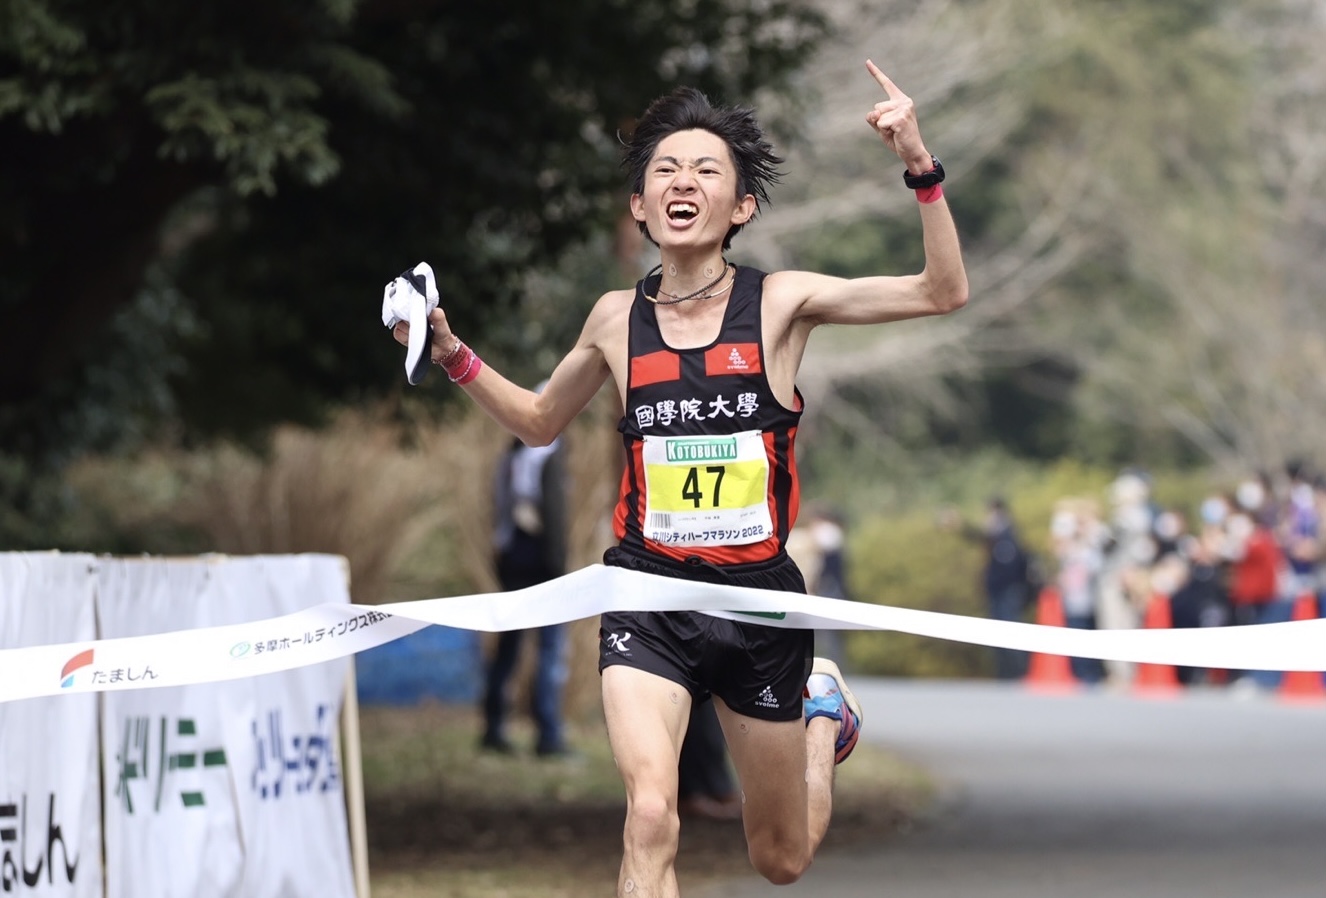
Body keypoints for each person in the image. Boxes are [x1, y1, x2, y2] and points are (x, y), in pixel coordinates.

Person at [392, 60, 967, 894]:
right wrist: (451, 351)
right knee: (651, 814)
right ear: (640, 206)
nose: (681, 181)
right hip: (649, 598)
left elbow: (942, 291)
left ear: (742, 208)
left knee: (781, 858)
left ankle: (821, 716)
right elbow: (539, 422)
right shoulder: (614, 320)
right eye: (664, 169)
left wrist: (919, 162)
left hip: (758, 604)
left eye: (706, 170)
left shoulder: (781, 304)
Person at [480, 427, 572, 757]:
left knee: (509, 646)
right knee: (549, 648)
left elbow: (500, 508)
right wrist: (559, 565)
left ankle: (493, 725)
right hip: (541, 560)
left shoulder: (513, 453)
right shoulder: (548, 453)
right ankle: (548, 735)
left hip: (513, 555)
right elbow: (554, 517)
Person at [942, 496, 1034, 680]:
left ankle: (1018, 673)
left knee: (1010, 631)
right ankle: (1006, 674)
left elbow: (1009, 565)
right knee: (997, 634)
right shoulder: (998, 535)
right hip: (998, 591)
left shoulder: (1008, 535)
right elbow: (980, 537)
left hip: (1008, 591)